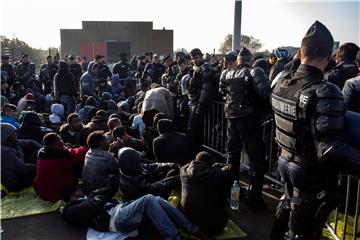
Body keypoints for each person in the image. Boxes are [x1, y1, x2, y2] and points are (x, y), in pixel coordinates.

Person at [271, 21, 360, 240]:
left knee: (286, 212)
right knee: (304, 233)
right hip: (309, 174)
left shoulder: (281, 81)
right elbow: (330, 150)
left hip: (284, 161)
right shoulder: (324, 90)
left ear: (301, 52)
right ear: (329, 57)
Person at [219, 47, 271, 210]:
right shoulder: (254, 71)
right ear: (250, 60)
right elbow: (266, 93)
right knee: (256, 160)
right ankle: (253, 197)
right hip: (249, 120)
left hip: (232, 119)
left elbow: (222, 92)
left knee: (232, 155)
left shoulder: (227, 73)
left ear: (238, 61)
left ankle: (231, 191)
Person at [180, 151, 232, 234]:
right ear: (208, 165)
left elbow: (197, 169)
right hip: (208, 222)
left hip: (187, 214)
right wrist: (223, 169)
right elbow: (223, 174)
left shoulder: (183, 170)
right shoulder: (214, 175)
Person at [33, 133, 87, 202]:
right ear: (58, 143)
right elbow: (82, 151)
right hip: (57, 195)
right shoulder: (63, 155)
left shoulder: (41, 152)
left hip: (41, 192)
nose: (62, 141)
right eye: (60, 140)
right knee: (78, 163)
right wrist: (73, 147)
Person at [187, 48, 217, 152]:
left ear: (200, 56)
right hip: (195, 103)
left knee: (196, 131)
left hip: (200, 105)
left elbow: (207, 89)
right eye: (192, 58)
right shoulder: (196, 68)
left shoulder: (205, 67)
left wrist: (200, 106)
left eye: (196, 58)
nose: (194, 60)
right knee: (194, 132)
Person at [1, 123, 41, 191]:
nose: (15, 135)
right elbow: (24, 168)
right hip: (16, 183)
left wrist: (44, 147)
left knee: (35, 148)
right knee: (39, 153)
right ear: (5, 136)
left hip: (18, 172)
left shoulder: (11, 142)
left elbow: (30, 142)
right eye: (13, 133)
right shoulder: (4, 152)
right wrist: (41, 166)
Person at [82, 131, 122, 196]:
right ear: (100, 143)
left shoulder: (88, 152)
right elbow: (119, 168)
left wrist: (110, 151)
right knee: (124, 174)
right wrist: (120, 148)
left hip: (88, 189)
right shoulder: (108, 156)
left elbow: (103, 158)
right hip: (101, 190)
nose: (108, 142)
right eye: (106, 140)